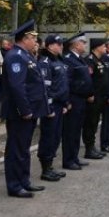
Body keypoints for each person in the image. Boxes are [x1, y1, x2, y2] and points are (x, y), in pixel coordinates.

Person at [1, 19, 48, 198]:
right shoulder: (15, 56)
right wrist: (25, 109)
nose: (35, 42)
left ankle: (24, 181)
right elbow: (17, 87)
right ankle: (14, 185)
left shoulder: (26, 55)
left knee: (24, 148)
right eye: (33, 38)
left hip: (30, 110)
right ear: (25, 38)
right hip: (20, 112)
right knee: (16, 149)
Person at [37, 34, 70, 181]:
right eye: (58, 44)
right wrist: (48, 107)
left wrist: (64, 103)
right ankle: (45, 169)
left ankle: (50, 167)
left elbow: (63, 84)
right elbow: (45, 87)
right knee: (48, 137)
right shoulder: (45, 61)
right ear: (50, 46)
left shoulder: (59, 60)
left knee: (56, 136)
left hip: (59, 104)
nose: (61, 46)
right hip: (50, 105)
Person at [61, 33, 92, 170]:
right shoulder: (69, 59)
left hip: (81, 99)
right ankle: (68, 160)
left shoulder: (80, 59)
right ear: (75, 44)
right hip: (74, 99)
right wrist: (67, 101)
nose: (85, 45)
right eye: (83, 42)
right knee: (70, 131)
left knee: (76, 130)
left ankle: (74, 157)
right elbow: (66, 82)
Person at [83, 38, 108, 159]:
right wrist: (89, 94)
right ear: (97, 47)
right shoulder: (89, 60)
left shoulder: (99, 60)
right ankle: (89, 149)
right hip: (93, 98)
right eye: (103, 46)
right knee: (90, 123)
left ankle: (92, 147)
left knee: (94, 123)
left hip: (100, 97)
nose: (105, 48)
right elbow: (88, 80)